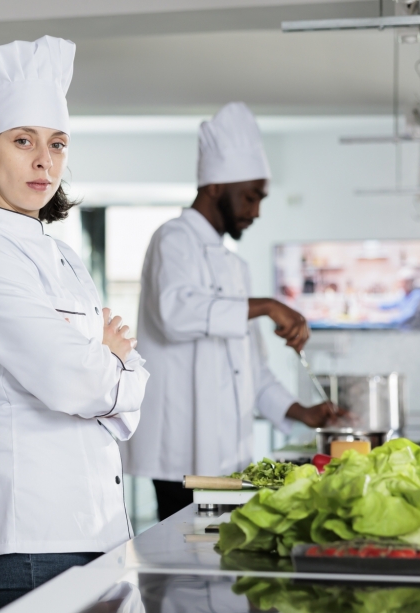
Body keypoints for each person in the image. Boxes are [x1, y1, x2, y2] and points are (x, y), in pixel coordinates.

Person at [0, 36, 150, 613]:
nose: (44, 160)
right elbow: (72, 381)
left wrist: (108, 367)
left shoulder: (62, 256)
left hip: (102, 529)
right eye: (23, 140)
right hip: (34, 539)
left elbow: (116, 387)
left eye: (57, 143)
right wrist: (110, 365)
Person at [120, 102, 342, 522]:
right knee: (185, 571)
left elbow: (251, 368)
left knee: (218, 562)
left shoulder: (234, 265)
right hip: (180, 455)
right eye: (250, 196)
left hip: (228, 454)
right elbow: (176, 314)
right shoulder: (172, 239)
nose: (255, 210)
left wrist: (301, 412)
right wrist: (268, 306)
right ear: (216, 187)